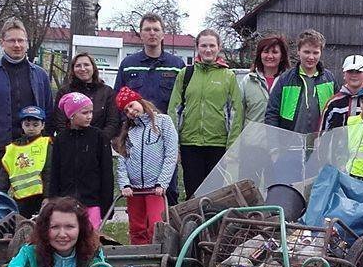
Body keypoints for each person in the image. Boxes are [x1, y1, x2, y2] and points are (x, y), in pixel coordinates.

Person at [0, 18, 52, 192]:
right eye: (12, 40)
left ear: (27, 43)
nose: (17, 45)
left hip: (32, 147)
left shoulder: (40, 75)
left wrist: (50, 142)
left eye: (21, 40)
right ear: (2, 42)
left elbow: (49, 111)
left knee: (31, 198)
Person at [168, 29, 244, 197]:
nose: (208, 49)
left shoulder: (228, 76)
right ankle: (194, 223)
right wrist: (174, 143)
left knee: (215, 195)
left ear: (219, 48)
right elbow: (174, 110)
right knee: (193, 193)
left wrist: (231, 146)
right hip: (190, 144)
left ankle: (214, 224)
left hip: (218, 145)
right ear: (197, 47)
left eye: (212, 45)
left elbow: (236, 112)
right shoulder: (185, 74)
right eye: (203, 45)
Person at [114, 87, 178, 245]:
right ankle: (139, 260)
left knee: (156, 226)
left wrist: (162, 183)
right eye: (126, 110)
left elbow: (171, 154)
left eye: (131, 105)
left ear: (140, 101)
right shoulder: (129, 131)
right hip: (134, 189)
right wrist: (125, 184)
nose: (131, 111)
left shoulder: (163, 121)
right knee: (137, 227)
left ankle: (158, 259)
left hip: (155, 187)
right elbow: (122, 160)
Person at [48, 92, 114, 229]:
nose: (89, 116)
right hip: (66, 202)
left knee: (91, 239)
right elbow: (55, 173)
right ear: (71, 115)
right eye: (84, 113)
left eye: (91, 112)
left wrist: (107, 204)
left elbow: (106, 172)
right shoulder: (61, 139)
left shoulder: (99, 137)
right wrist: (53, 200)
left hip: (92, 201)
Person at [264, 29, 338, 133]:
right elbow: (272, 114)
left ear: (321, 52)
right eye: (306, 52)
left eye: (315, 53)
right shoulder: (285, 80)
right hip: (289, 142)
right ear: (298, 51)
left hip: (321, 143)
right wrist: (275, 144)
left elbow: (338, 112)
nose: (311, 57)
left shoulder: (330, 79)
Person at [113, 12, 185, 115]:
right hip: (135, 127)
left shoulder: (177, 66)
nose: (152, 33)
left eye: (156, 29)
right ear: (141, 34)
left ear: (163, 34)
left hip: (166, 128)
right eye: (147, 29)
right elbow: (117, 99)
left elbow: (184, 101)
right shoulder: (128, 65)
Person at [45, 52, 121, 137]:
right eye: (78, 66)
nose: (82, 68)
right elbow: (59, 121)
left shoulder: (107, 92)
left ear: (93, 67)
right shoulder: (65, 92)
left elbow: (113, 121)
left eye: (86, 65)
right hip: (71, 143)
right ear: (73, 69)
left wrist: (100, 140)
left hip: (100, 144)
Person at [1, 106, 51, 218]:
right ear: (22, 126)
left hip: (40, 197)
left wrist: (48, 196)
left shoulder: (47, 144)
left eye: (35, 124)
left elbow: (49, 171)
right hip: (19, 199)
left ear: (42, 125)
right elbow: (4, 173)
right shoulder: (13, 147)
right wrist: (1, 195)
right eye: (27, 125)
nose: (31, 128)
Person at [241, 34, 289, 123]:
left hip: (280, 136)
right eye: (266, 52)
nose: (270, 56)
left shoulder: (289, 82)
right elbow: (238, 114)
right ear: (260, 55)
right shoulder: (247, 81)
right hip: (252, 136)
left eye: (275, 52)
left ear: (282, 56)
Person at [320, 54, 363, 131]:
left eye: (358, 71)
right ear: (344, 74)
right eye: (350, 71)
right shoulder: (333, 103)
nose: (354, 75)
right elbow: (322, 133)